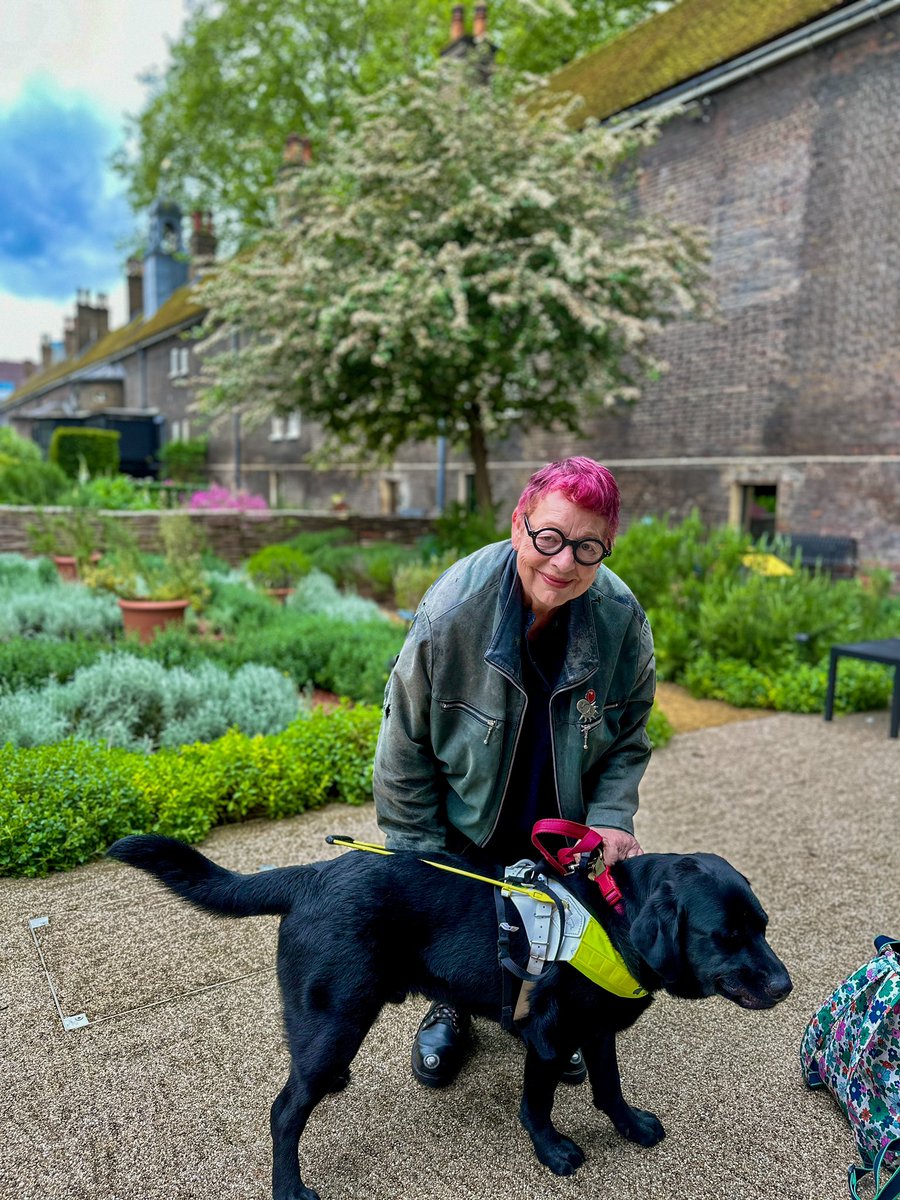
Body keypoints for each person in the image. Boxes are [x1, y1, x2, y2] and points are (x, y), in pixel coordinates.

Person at [372, 456, 655, 1088]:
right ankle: (451, 1007)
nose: (563, 563)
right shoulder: (451, 614)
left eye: (588, 548)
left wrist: (610, 820)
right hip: (466, 819)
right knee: (462, 930)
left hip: (560, 821)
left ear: (607, 548)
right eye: (548, 538)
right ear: (518, 524)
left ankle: (554, 1013)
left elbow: (630, 735)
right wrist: (416, 859)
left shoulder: (622, 620)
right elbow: (403, 746)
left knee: (557, 925)